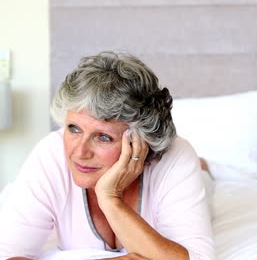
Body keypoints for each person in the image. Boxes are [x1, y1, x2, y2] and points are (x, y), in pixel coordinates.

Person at [0, 52, 214, 259]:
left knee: (204, 179)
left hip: (191, 178)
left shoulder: (176, 157)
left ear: (139, 141)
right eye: (74, 128)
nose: (79, 152)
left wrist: (110, 198)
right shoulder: (50, 154)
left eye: (103, 137)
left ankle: (204, 167)